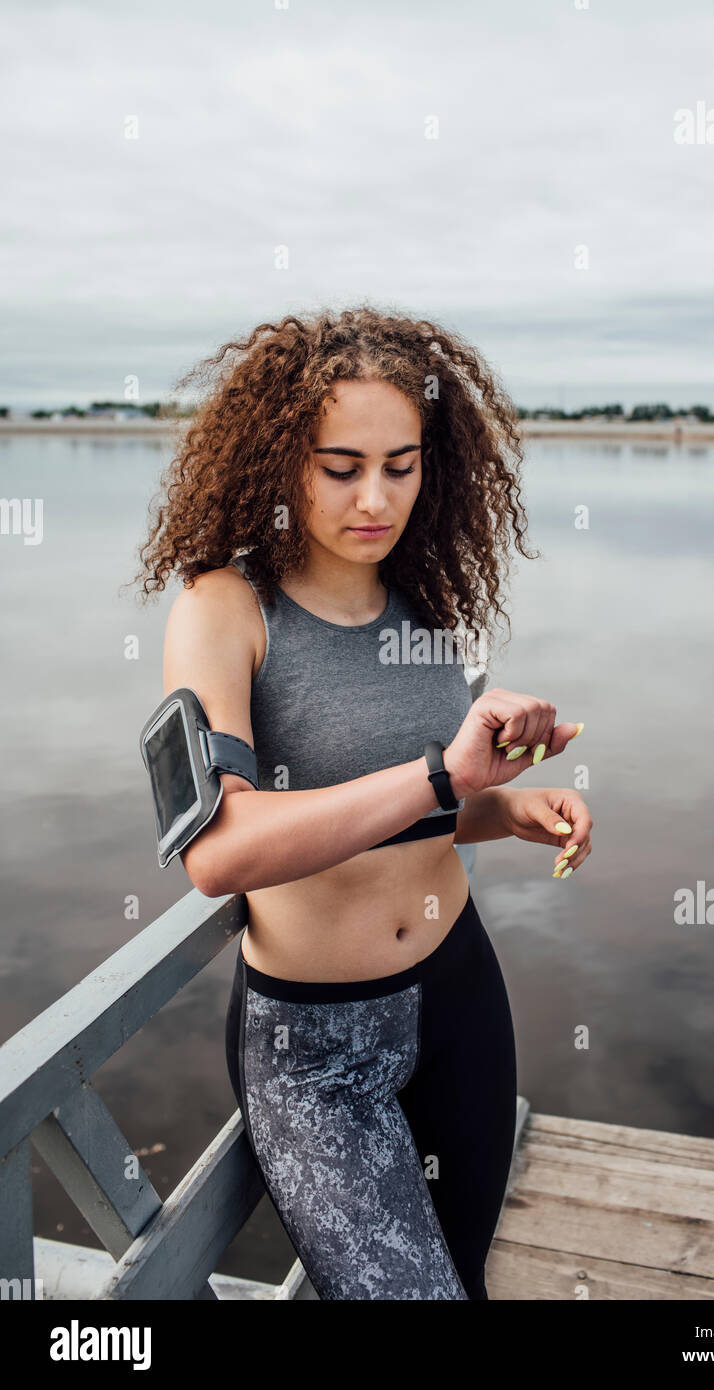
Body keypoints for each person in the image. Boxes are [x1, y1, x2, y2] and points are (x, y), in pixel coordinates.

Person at [131, 305, 592, 1300]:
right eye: (341, 467)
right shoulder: (224, 607)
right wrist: (442, 773)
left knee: (460, 1280)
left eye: (403, 463)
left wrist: (504, 808)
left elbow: (415, 813)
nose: (376, 496)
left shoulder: (420, 600)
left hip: (459, 994)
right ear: (278, 457)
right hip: (314, 1052)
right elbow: (219, 848)